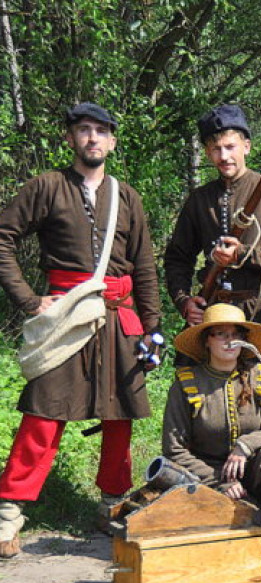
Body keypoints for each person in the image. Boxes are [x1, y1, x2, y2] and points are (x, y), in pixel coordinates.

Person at [0, 103, 160, 559]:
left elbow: (143, 266)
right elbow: (3, 238)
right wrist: (30, 300)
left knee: (119, 416)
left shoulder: (127, 197)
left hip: (119, 316)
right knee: (43, 413)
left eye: (101, 131)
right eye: (84, 130)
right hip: (67, 316)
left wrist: (152, 327)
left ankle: (112, 503)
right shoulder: (46, 186)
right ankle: (8, 513)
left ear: (112, 141)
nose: (93, 138)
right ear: (70, 138)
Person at [164, 104, 261, 389]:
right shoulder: (200, 199)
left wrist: (243, 254)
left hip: (258, 313)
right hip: (212, 314)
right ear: (208, 153)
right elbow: (177, 259)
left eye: (230, 147)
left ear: (247, 146)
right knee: (205, 397)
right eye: (216, 149)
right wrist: (184, 301)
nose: (224, 156)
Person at [163, 304, 261, 583]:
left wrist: (246, 444)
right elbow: (173, 449)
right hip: (206, 476)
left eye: (236, 334)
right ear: (207, 341)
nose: (230, 341)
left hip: (256, 471)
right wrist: (220, 481)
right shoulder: (187, 383)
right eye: (221, 334)